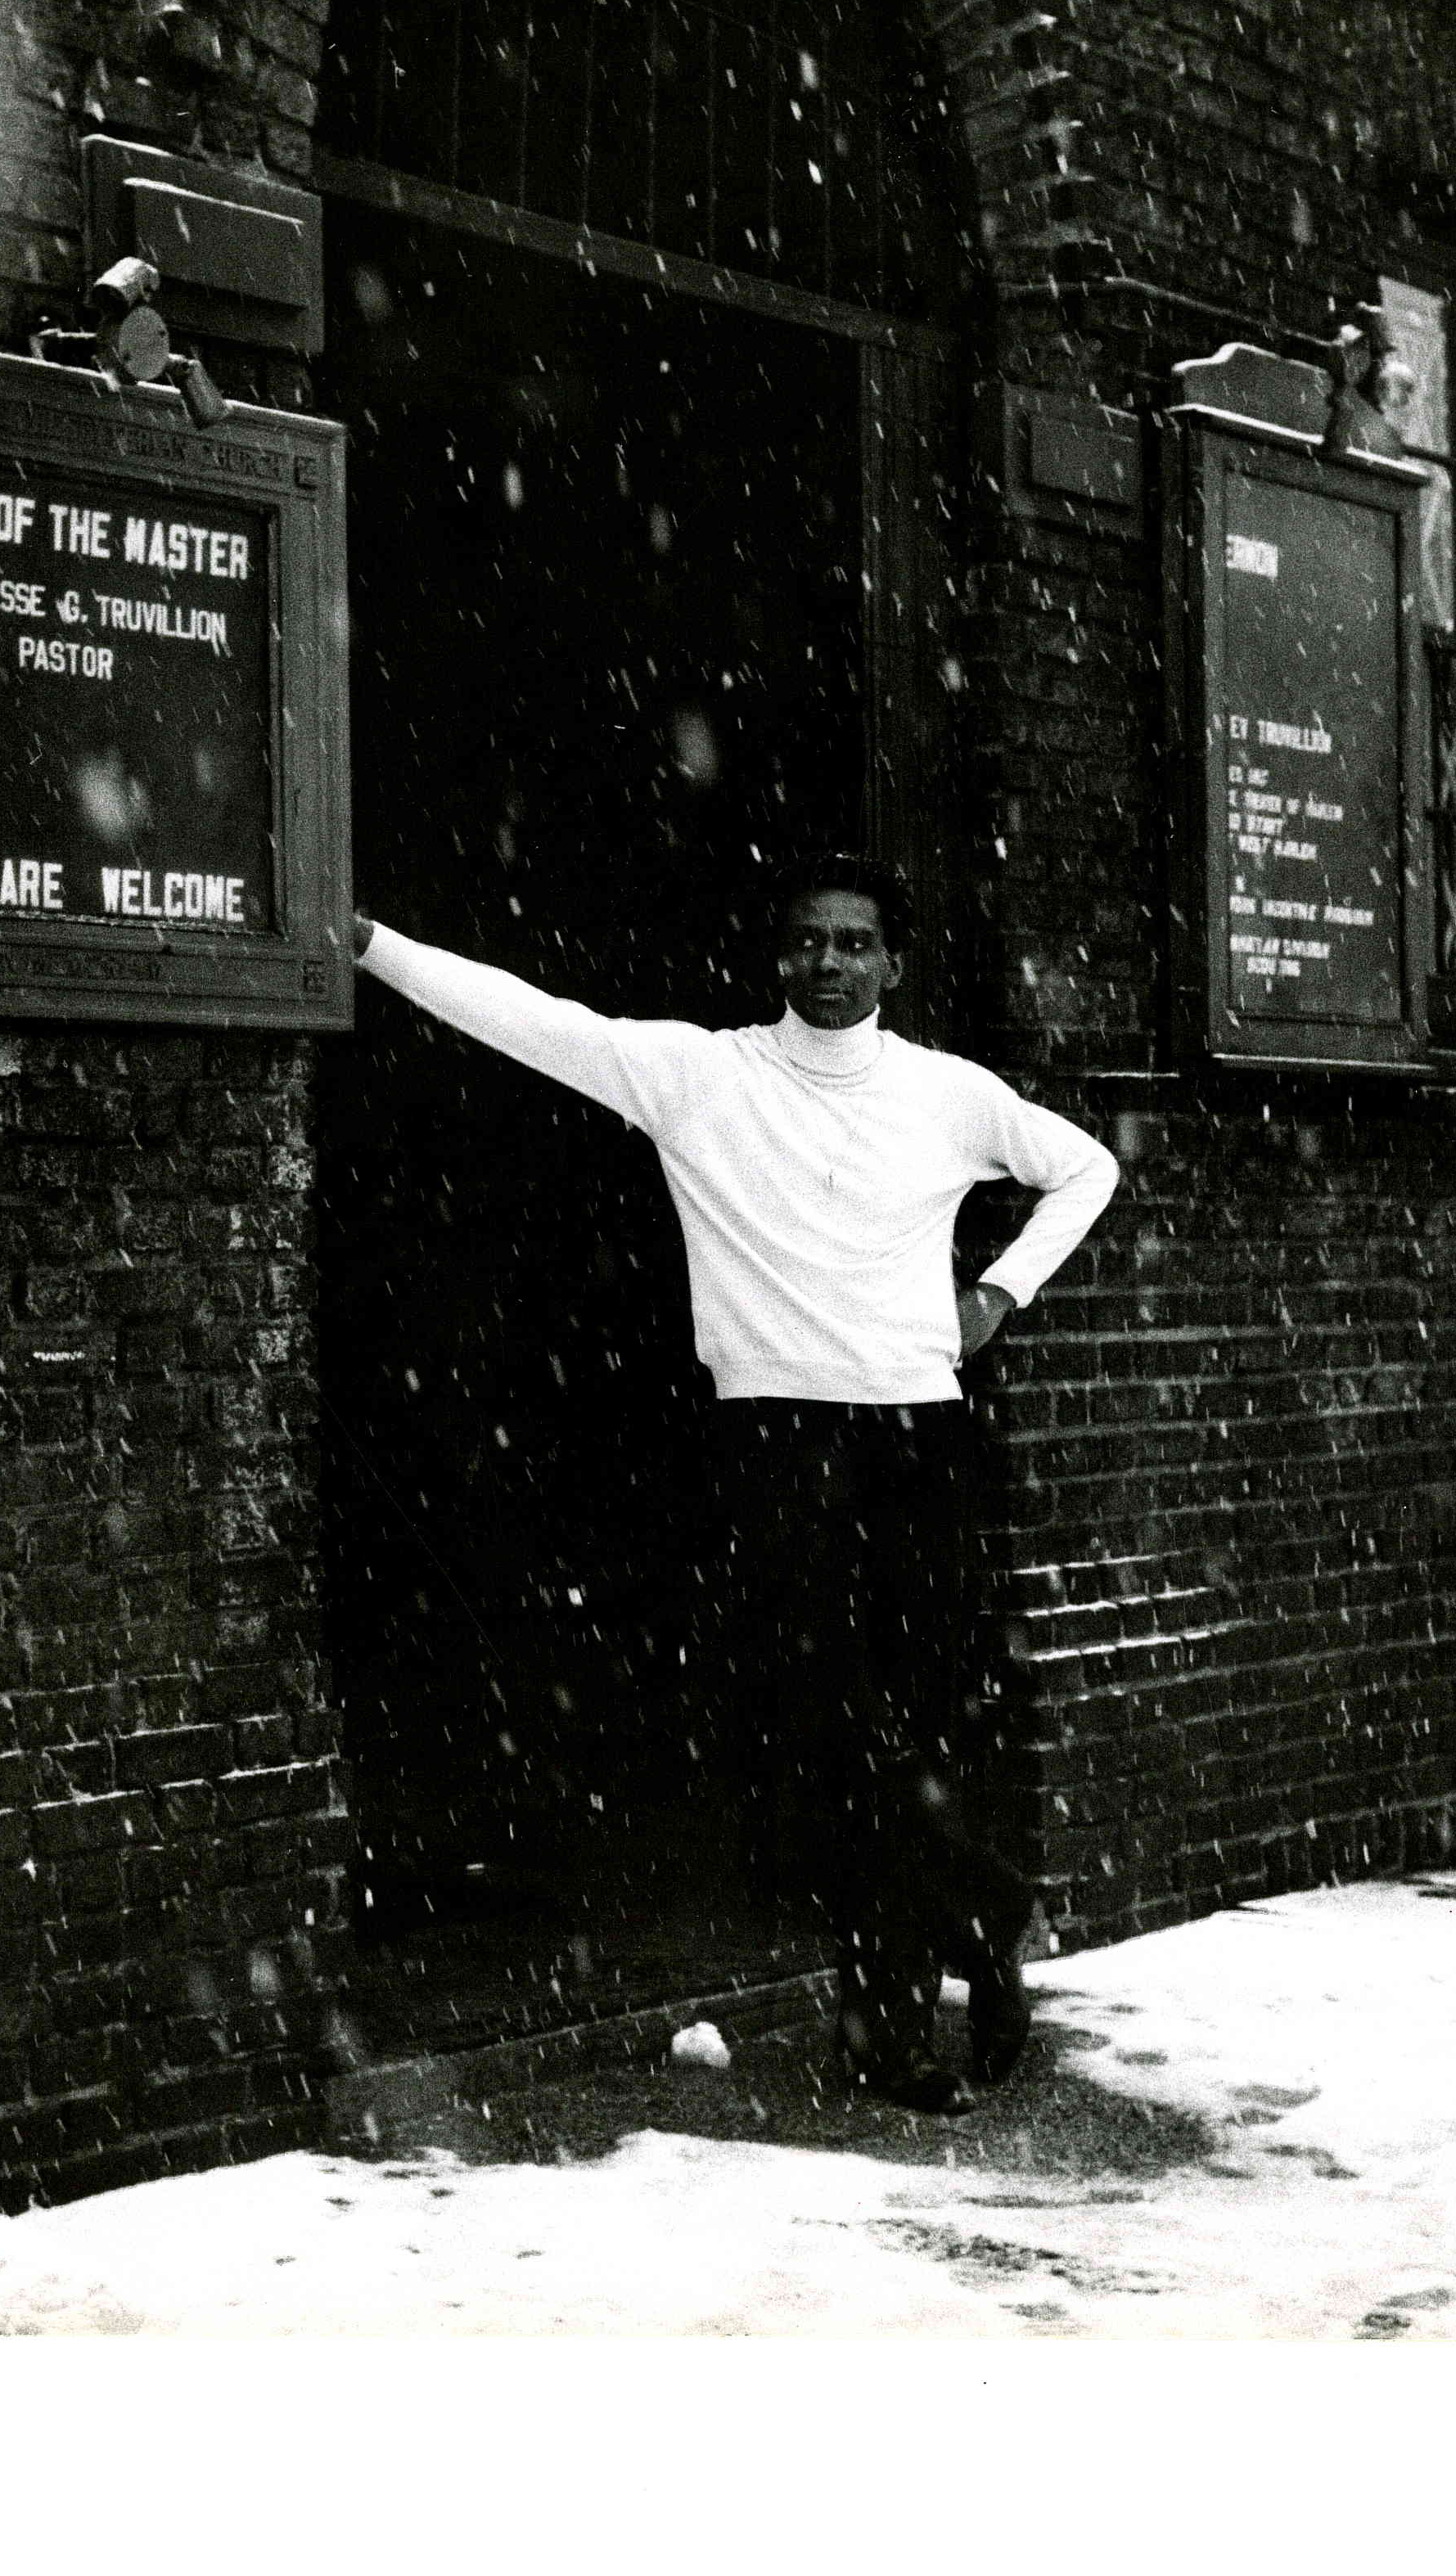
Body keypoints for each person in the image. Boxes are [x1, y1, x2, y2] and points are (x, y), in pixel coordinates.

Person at [348, 856, 1119, 2112]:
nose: (829, 963)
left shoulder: (949, 1095)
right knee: (825, 1740)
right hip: (776, 1450)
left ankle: (898, 2013)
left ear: (892, 964)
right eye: (808, 941)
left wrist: (996, 1296)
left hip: (918, 1445)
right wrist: (375, 940)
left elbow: (1086, 1167)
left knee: (921, 1731)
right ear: (779, 958)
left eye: (855, 943)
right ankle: (971, 1939)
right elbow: (537, 1023)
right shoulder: (705, 1076)